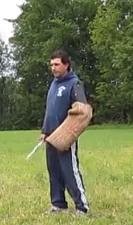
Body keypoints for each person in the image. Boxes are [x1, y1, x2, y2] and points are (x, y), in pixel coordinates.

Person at [39, 50, 89, 216]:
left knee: (69, 171)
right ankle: (58, 203)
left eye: (57, 64)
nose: (53, 68)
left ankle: (82, 207)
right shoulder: (53, 84)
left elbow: (83, 110)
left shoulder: (74, 84)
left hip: (65, 137)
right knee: (54, 170)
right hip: (51, 137)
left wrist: (68, 133)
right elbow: (50, 111)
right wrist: (45, 131)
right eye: (51, 64)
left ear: (66, 65)